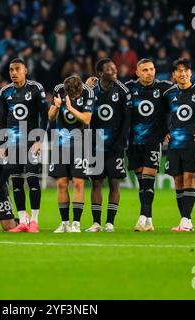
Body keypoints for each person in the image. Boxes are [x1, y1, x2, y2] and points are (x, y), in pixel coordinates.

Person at [125, 58, 195, 232]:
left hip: (154, 142)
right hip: (134, 142)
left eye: (152, 69)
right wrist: (91, 84)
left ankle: (146, 217)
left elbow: (172, 110)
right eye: (145, 70)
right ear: (137, 72)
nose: (149, 73)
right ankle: (148, 219)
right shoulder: (130, 88)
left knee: (149, 181)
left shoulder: (163, 88)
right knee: (144, 183)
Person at [163, 58, 195, 231]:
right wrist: (165, 131)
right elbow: (161, 116)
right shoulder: (169, 94)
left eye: (186, 70)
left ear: (191, 73)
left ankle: (186, 220)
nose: (183, 73)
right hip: (174, 146)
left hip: (193, 145)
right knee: (178, 181)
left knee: (190, 179)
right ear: (173, 75)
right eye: (179, 70)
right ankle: (185, 221)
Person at [0, 58, 48, 233]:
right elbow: (2, 119)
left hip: (31, 140)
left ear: (25, 71)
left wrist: (39, 140)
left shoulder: (35, 88)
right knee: (17, 181)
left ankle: (34, 220)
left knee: (32, 178)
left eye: (17, 69)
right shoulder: (4, 92)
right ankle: (23, 220)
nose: (13, 73)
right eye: (11, 69)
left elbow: (44, 115)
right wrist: (2, 144)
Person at [84, 58, 132, 232]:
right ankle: (96, 223)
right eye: (109, 69)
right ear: (100, 73)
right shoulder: (90, 91)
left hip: (115, 145)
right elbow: (82, 111)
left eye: (114, 68)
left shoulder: (123, 91)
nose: (114, 70)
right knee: (96, 183)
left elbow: (127, 119)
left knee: (114, 183)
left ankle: (110, 223)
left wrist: (121, 141)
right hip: (94, 146)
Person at [48, 75, 94, 233]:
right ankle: (64, 222)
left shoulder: (88, 92)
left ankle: (76, 223)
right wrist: (56, 106)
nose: (75, 96)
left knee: (78, 182)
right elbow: (50, 116)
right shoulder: (58, 90)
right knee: (61, 183)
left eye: (76, 95)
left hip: (81, 142)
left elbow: (86, 119)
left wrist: (70, 108)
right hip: (60, 142)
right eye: (71, 95)